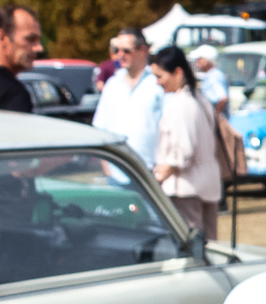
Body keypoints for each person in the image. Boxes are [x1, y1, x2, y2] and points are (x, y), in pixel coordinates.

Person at [150, 46, 221, 237]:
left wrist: (160, 174)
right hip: (207, 185)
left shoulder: (182, 104)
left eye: (160, 76)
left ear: (178, 72)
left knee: (192, 248)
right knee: (211, 245)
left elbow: (182, 153)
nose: (158, 83)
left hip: (186, 189)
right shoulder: (200, 99)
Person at [93, 29, 164, 168]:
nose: (120, 55)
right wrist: (105, 164)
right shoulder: (112, 84)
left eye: (126, 50)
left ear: (143, 50)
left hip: (149, 171)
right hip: (116, 172)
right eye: (116, 50)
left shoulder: (158, 84)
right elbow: (100, 127)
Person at [190, 44, 229, 116]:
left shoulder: (214, 76)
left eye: (199, 59)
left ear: (206, 60)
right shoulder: (212, 75)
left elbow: (223, 98)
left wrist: (216, 115)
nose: (197, 62)